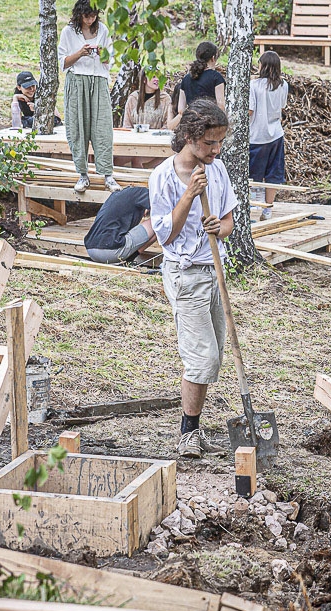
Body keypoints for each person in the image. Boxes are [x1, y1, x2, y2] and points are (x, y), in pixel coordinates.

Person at [149, 99, 236, 458]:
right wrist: (189, 195)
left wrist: (219, 227)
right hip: (185, 275)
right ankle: (188, 433)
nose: (217, 150)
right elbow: (165, 235)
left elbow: (229, 223)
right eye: (210, 142)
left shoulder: (218, 170)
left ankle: (195, 429)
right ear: (189, 136)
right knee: (202, 359)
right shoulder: (163, 177)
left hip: (214, 271)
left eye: (220, 142)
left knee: (214, 354)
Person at [58, 0, 121, 193]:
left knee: (103, 128)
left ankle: (107, 174)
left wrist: (102, 54)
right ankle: (82, 174)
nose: (90, 19)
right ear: (79, 14)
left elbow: (110, 61)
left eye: (93, 15)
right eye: (87, 16)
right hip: (77, 81)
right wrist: (80, 53)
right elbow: (62, 63)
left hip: (99, 80)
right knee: (78, 127)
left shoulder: (102, 30)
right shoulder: (68, 32)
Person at [247, 51, 289, 220]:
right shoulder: (283, 85)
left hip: (256, 134)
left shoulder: (254, 85)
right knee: (273, 174)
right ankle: (268, 209)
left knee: (252, 174)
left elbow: (250, 110)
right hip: (276, 134)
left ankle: (252, 207)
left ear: (262, 66)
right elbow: (282, 107)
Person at [83, 187, 157, 264]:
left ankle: (129, 258)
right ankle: (131, 257)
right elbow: (162, 207)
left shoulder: (117, 196)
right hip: (111, 252)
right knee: (160, 222)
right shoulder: (142, 193)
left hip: (90, 250)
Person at [121, 71, 175, 167]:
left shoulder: (165, 99)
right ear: (144, 79)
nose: (157, 79)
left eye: (158, 77)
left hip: (157, 143)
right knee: (118, 158)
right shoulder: (133, 98)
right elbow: (127, 125)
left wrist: (154, 136)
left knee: (139, 160)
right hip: (134, 142)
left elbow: (168, 125)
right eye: (153, 76)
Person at [177, 42, 226, 114]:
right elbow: (221, 105)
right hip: (210, 118)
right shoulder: (216, 77)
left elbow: (181, 110)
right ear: (213, 58)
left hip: (191, 119)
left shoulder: (186, 79)